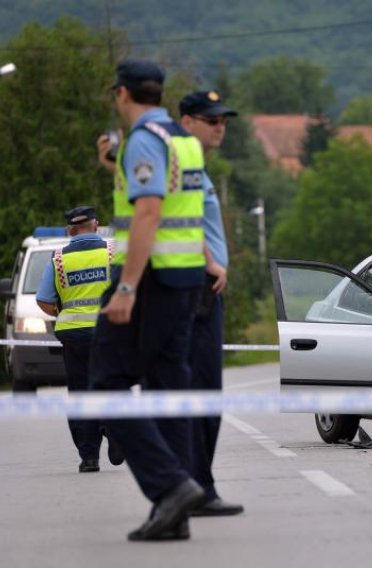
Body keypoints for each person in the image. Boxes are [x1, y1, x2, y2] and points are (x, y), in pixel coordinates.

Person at [91, 59, 207, 541]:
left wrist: (125, 287)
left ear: (122, 94)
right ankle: (174, 509)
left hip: (150, 282)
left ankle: (171, 486)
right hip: (185, 281)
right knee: (166, 389)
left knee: (105, 387)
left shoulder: (142, 141)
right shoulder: (182, 139)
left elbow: (149, 213)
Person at [178, 90, 243, 516]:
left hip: (201, 287)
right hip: (195, 285)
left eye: (223, 120)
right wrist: (210, 262)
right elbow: (177, 214)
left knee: (205, 391)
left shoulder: (196, 162)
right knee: (201, 391)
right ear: (188, 121)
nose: (220, 126)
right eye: (211, 119)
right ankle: (196, 487)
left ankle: (198, 484)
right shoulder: (183, 157)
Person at [35, 207, 124, 473]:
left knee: (80, 392)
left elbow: (43, 299)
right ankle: (115, 428)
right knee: (112, 383)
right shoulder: (112, 252)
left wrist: (63, 312)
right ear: (96, 225)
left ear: (70, 230)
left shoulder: (59, 259)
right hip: (109, 332)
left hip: (74, 336)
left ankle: (89, 457)